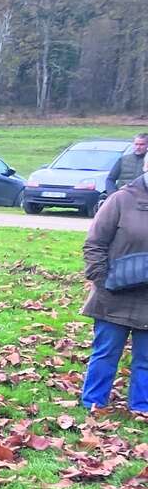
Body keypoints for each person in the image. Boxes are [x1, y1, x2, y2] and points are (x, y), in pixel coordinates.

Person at [79, 163, 148, 413]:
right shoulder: (121, 200)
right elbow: (94, 244)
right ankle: (93, 404)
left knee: (147, 360)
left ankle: (142, 408)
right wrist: (102, 280)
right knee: (106, 353)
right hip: (114, 295)